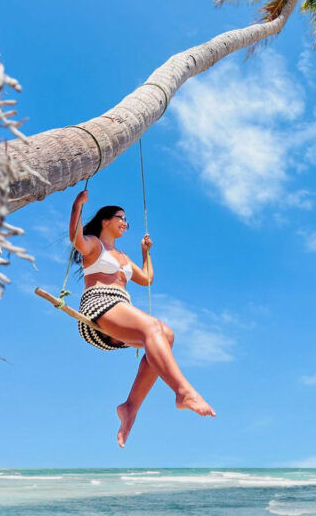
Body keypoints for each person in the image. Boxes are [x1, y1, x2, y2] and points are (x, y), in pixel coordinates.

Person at [70, 189, 215, 448]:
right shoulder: (94, 243)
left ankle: (129, 408)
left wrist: (145, 252)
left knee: (166, 335)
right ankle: (183, 392)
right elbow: (76, 239)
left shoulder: (124, 257)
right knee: (152, 328)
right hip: (99, 306)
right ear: (106, 220)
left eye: (127, 220)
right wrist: (77, 207)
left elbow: (146, 279)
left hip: (120, 311)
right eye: (121, 218)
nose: (125, 223)